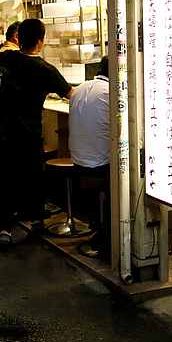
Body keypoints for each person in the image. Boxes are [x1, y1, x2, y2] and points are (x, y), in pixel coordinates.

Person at [0, 18, 72, 248]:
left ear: (19, 37)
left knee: (5, 180)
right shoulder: (44, 69)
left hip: (4, 132)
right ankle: (37, 222)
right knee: (33, 176)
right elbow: (70, 94)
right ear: (40, 41)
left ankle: (5, 230)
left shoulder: (5, 59)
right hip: (29, 134)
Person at [68, 58, 111, 260]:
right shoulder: (112, 93)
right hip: (100, 168)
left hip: (78, 164)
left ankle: (99, 226)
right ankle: (110, 233)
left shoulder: (78, 89)